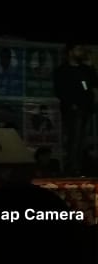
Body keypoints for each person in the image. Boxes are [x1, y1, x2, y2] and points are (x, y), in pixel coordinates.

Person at [53, 43, 98, 176]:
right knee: (74, 138)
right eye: (78, 49)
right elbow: (60, 90)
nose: (81, 52)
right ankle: (72, 168)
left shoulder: (85, 69)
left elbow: (95, 84)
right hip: (72, 109)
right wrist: (71, 104)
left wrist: (92, 67)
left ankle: (79, 166)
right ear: (70, 52)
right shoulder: (62, 70)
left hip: (86, 109)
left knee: (83, 140)